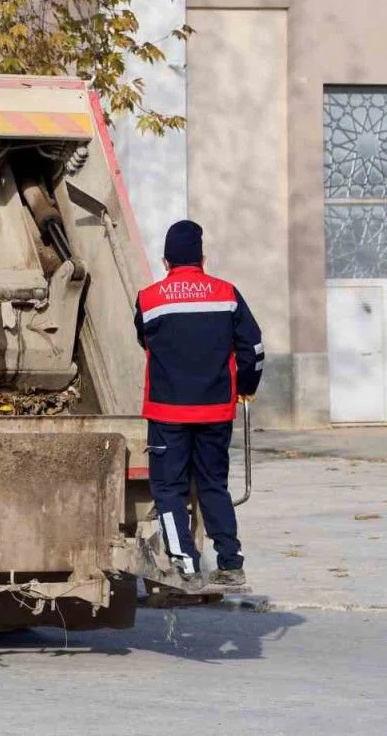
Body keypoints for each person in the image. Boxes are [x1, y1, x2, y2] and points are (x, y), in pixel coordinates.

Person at [134, 220, 263, 591]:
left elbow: (144, 339)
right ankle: (231, 564)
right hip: (216, 410)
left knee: (168, 488)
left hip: (167, 412)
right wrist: (246, 387)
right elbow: (253, 349)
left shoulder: (149, 299)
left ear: (165, 261)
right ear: (202, 259)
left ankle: (187, 566)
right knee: (213, 485)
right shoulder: (227, 294)